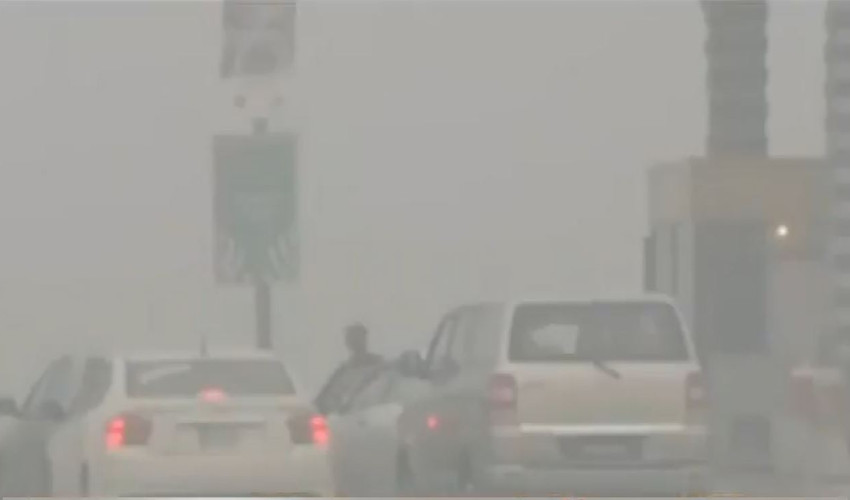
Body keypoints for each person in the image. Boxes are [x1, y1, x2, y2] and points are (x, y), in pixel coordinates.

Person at [314, 323, 385, 414]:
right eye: (351, 339)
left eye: (357, 338)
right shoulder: (342, 371)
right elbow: (322, 400)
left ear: (364, 339)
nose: (355, 342)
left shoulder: (380, 366)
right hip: (348, 417)